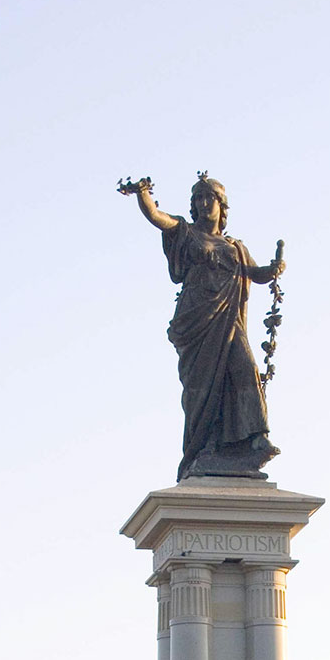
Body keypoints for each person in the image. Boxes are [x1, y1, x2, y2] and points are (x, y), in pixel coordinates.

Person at [119, 174, 285, 480]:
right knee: (201, 389)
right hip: (197, 321)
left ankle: (256, 438)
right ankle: (204, 447)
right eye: (199, 199)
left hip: (228, 321)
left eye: (210, 198)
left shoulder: (235, 246)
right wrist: (143, 194)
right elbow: (157, 217)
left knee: (245, 368)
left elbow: (255, 273)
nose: (204, 203)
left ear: (222, 207)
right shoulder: (186, 232)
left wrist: (272, 270)